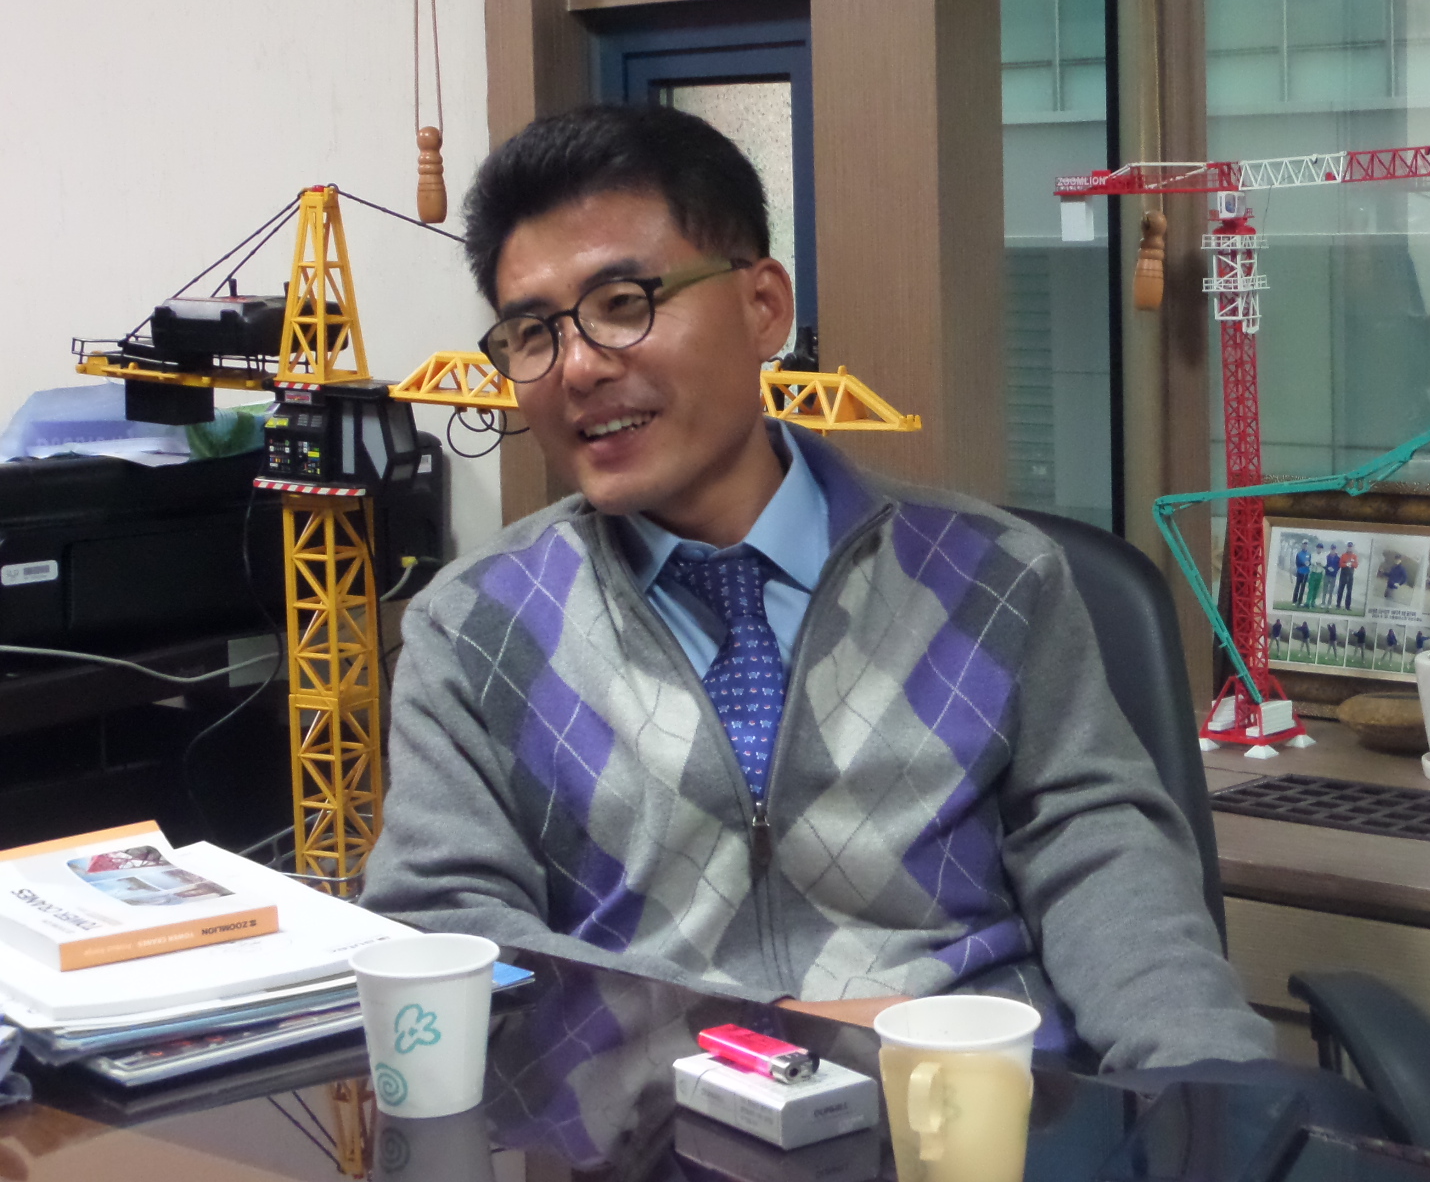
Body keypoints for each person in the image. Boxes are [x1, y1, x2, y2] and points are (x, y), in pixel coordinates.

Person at [360, 104, 1271, 1072]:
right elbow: (446, 937)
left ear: (763, 306)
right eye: (531, 332)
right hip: (657, 1125)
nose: (577, 367)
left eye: (623, 302)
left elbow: (1102, 861)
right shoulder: (477, 628)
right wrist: (777, 1036)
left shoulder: (996, 577)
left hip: (978, 1113)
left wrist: (1213, 1092)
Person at [1290, 542, 1312, 610]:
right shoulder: (1299, 554)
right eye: (1304, 545)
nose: (1305, 546)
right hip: (1300, 571)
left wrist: (1308, 563)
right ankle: (1294, 601)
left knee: (1303, 587)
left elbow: (1310, 562)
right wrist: (1303, 564)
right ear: (1302, 545)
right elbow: (1297, 563)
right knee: (1297, 586)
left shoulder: (1309, 554)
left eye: (1306, 545)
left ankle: (1300, 601)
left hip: (1306, 572)